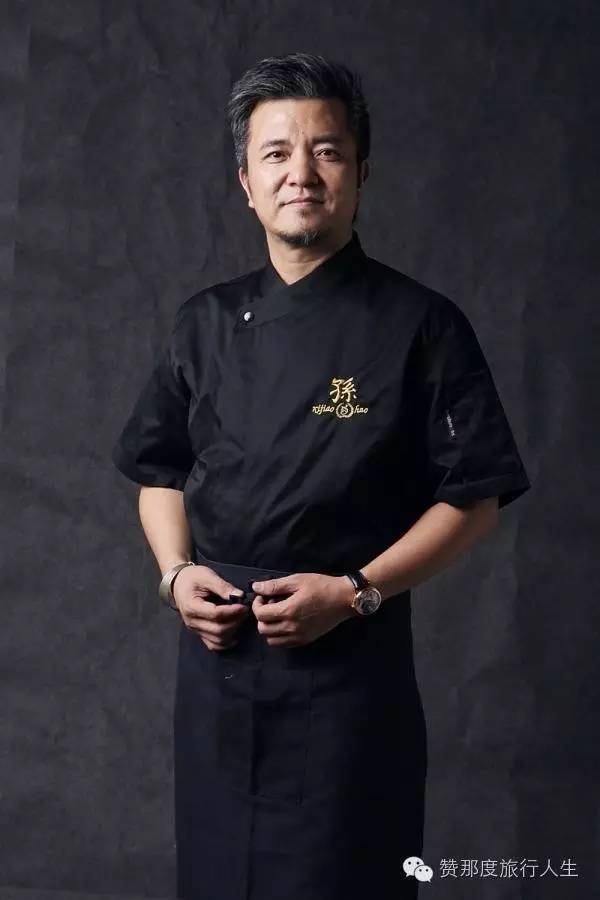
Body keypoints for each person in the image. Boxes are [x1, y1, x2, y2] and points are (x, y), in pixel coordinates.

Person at [111, 52, 531, 900]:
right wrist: (176, 575)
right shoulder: (205, 324)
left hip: (347, 671)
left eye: (327, 151)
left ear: (361, 173)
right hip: (219, 669)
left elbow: (475, 498)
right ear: (246, 182)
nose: (301, 173)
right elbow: (158, 470)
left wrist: (355, 592)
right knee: (217, 877)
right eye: (276, 153)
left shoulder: (421, 324)